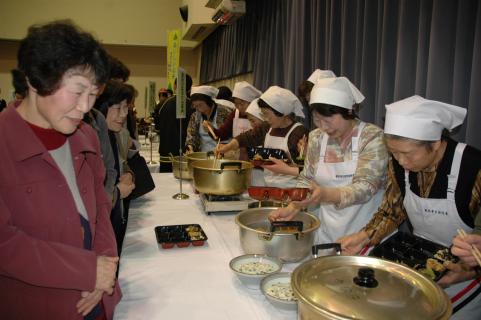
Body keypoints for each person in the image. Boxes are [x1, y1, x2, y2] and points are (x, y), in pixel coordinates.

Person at [0, 21, 120, 319]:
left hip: (97, 298)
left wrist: (103, 267)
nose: (85, 107)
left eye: (94, 94)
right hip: (40, 305)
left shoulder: (86, 136)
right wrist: (86, 271)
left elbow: (101, 208)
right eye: (77, 91)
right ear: (35, 78)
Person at [338, 95, 481, 319]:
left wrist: (469, 267)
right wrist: (365, 235)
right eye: (394, 153)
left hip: (468, 277)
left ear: (434, 143)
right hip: (422, 261)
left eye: (406, 153)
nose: (401, 161)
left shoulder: (473, 166)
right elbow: (392, 210)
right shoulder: (399, 164)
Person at [268, 77, 388, 243]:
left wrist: (325, 194)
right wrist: (293, 206)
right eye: (317, 120)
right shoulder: (316, 138)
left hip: (364, 235)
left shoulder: (371, 137)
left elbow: (366, 187)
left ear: (348, 112)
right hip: (327, 232)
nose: (323, 127)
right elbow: (306, 178)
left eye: (328, 119)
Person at [217, 86, 308, 187]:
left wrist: (297, 161)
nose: (265, 118)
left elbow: (306, 169)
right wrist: (227, 147)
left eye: (267, 114)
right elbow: (246, 137)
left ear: (281, 112)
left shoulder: (299, 132)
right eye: (263, 114)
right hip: (269, 186)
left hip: (291, 189)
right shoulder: (267, 127)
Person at [95, 80, 138, 255]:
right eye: (118, 108)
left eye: (126, 108)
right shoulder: (93, 139)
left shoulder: (113, 133)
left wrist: (128, 173)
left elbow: (123, 164)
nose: (123, 115)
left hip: (115, 218)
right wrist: (118, 192)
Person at [204, 81, 262, 159]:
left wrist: (235, 149)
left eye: (242, 104)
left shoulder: (261, 116)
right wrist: (211, 129)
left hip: (256, 158)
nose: (239, 107)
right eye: (236, 104)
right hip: (239, 158)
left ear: (252, 102)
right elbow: (222, 135)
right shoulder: (235, 113)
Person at [155, 74, 193, 172]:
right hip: (186, 152)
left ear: (175, 86)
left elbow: (157, 127)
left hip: (166, 151)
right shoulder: (192, 105)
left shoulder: (162, 104)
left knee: (165, 183)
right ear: (189, 89)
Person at [185, 85, 232, 152]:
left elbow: (230, 136)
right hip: (203, 155)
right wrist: (190, 147)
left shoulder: (225, 112)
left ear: (209, 101)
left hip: (222, 154)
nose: (199, 109)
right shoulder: (195, 116)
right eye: (196, 106)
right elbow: (191, 135)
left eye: (200, 105)